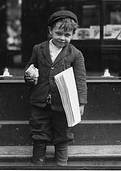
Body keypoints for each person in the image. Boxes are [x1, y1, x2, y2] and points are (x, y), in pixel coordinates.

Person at [24, 10, 88, 166]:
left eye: (67, 35)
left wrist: (81, 102)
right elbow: (30, 68)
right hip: (41, 101)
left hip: (63, 103)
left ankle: (61, 165)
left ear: (73, 34)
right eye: (58, 33)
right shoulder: (38, 49)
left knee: (62, 135)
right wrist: (29, 76)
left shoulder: (76, 54)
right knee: (39, 134)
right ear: (50, 31)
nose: (62, 38)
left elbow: (80, 79)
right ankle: (37, 163)